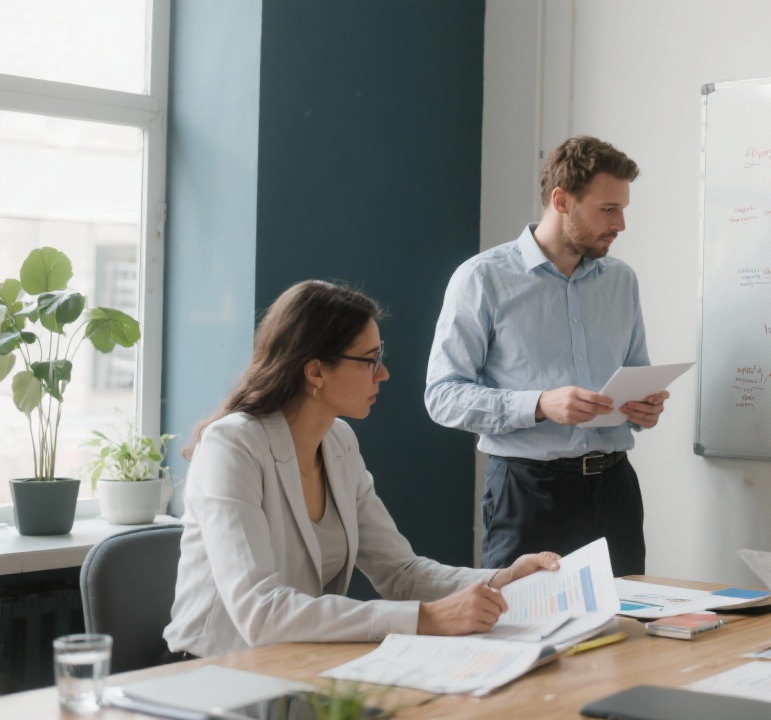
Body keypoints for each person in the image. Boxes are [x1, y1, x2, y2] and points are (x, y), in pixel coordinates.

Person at [165, 281, 560, 658]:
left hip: (295, 665)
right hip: (213, 673)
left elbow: (401, 573)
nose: (383, 374)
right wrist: (425, 618)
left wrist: (501, 579)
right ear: (316, 371)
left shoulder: (338, 441)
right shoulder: (231, 445)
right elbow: (260, 613)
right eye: (370, 361)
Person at [425, 136, 666, 577]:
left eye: (622, 208)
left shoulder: (621, 281)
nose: (621, 224)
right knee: (523, 630)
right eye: (608, 209)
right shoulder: (482, 279)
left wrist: (643, 409)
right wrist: (539, 405)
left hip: (615, 490)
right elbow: (442, 396)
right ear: (561, 200)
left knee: (628, 631)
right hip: (526, 493)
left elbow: (636, 376)